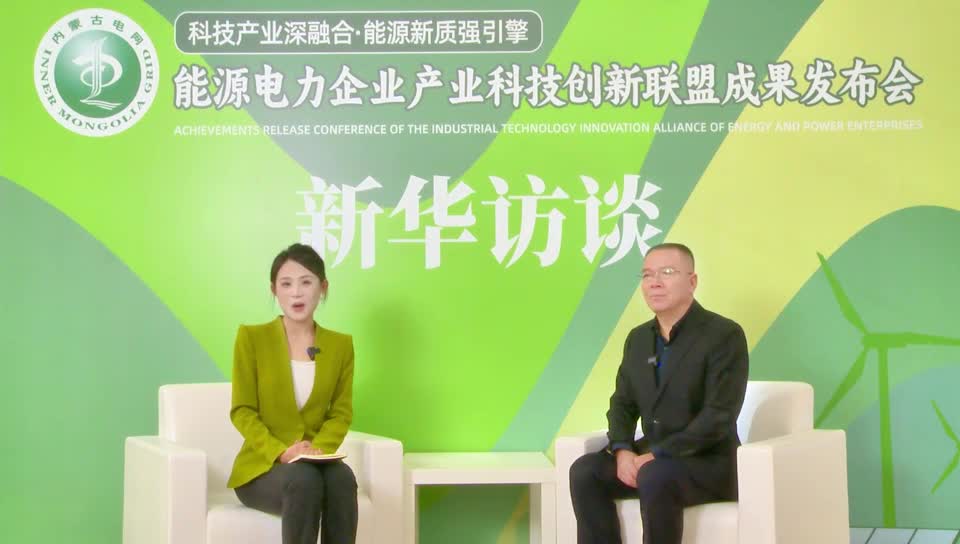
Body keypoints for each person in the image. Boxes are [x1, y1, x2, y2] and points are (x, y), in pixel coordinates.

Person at [569, 242, 749, 544]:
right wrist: (623, 450)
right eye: (647, 275)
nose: (655, 282)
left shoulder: (723, 335)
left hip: (709, 462)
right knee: (586, 471)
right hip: (653, 459)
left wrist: (657, 455)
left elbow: (718, 416)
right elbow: (622, 404)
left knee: (655, 474)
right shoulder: (638, 339)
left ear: (692, 281)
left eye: (667, 272)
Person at [227, 243, 358, 544]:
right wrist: (282, 452)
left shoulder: (340, 346)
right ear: (274, 290)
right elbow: (242, 411)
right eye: (286, 284)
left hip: (314, 463)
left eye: (306, 282)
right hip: (262, 469)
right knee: (304, 479)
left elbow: (340, 413)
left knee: (342, 478)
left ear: (323, 288)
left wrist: (316, 450)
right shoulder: (252, 338)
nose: (296, 293)